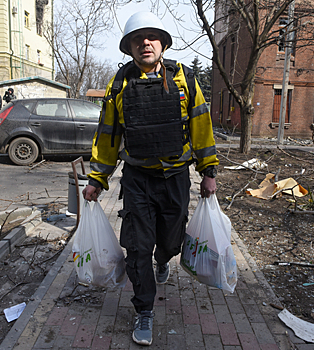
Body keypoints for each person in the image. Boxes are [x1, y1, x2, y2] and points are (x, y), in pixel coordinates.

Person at [82, 12, 218, 346]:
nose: (145, 42)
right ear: (129, 47)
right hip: (137, 179)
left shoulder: (183, 79)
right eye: (138, 38)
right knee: (137, 248)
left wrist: (209, 170)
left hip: (175, 178)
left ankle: (164, 259)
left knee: (170, 243)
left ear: (163, 44)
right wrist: (97, 179)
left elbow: (201, 123)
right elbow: (109, 134)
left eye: (152, 37)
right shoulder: (120, 83)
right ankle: (144, 309)